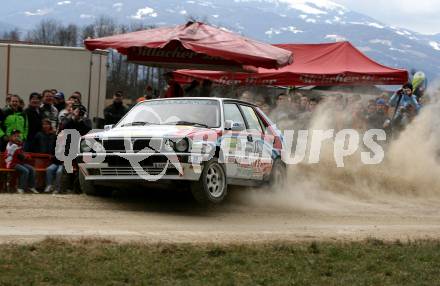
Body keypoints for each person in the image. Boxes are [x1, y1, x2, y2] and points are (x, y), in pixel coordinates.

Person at [3, 130, 38, 194]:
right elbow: (21, 156)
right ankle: (21, 188)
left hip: (18, 162)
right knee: (25, 171)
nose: (17, 137)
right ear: (11, 137)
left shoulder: (18, 144)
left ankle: (31, 187)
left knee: (32, 169)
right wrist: (26, 156)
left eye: (18, 136)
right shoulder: (12, 145)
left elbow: (22, 154)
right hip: (11, 163)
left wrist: (26, 156)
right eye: (15, 136)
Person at [33, 119, 63, 194]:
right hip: (42, 157)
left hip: (53, 159)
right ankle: (45, 186)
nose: (45, 126)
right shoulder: (38, 134)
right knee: (42, 172)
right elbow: (34, 145)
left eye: (47, 124)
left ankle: (56, 188)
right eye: (44, 124)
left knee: (57, 172)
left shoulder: (54, 136)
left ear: (50, 125)